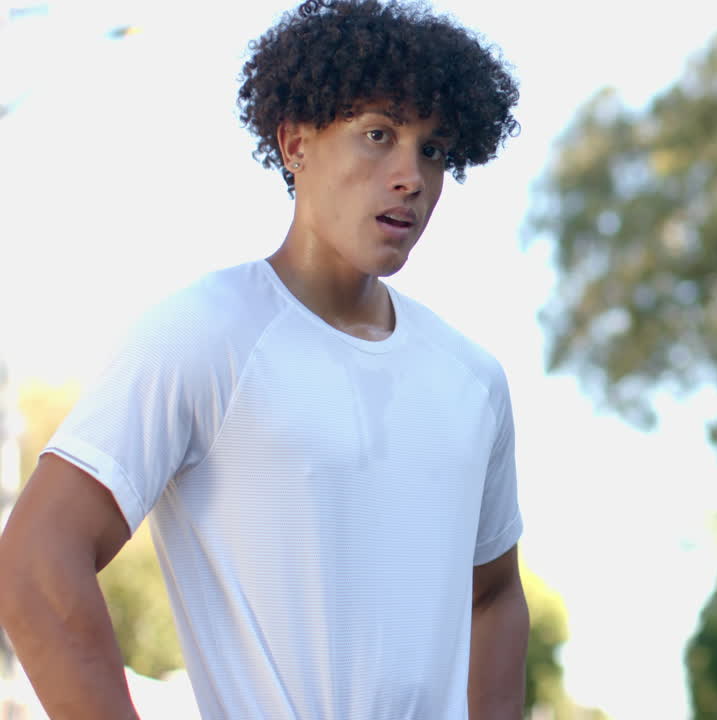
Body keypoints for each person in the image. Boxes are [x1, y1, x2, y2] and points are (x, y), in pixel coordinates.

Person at [0, 1, 528, 718]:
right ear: (295, 143)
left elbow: (492, 595)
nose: (411, 176)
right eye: (379, 134)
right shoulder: (203, 333)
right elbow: (34, 562)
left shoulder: (474, 381)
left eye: (433, 149)